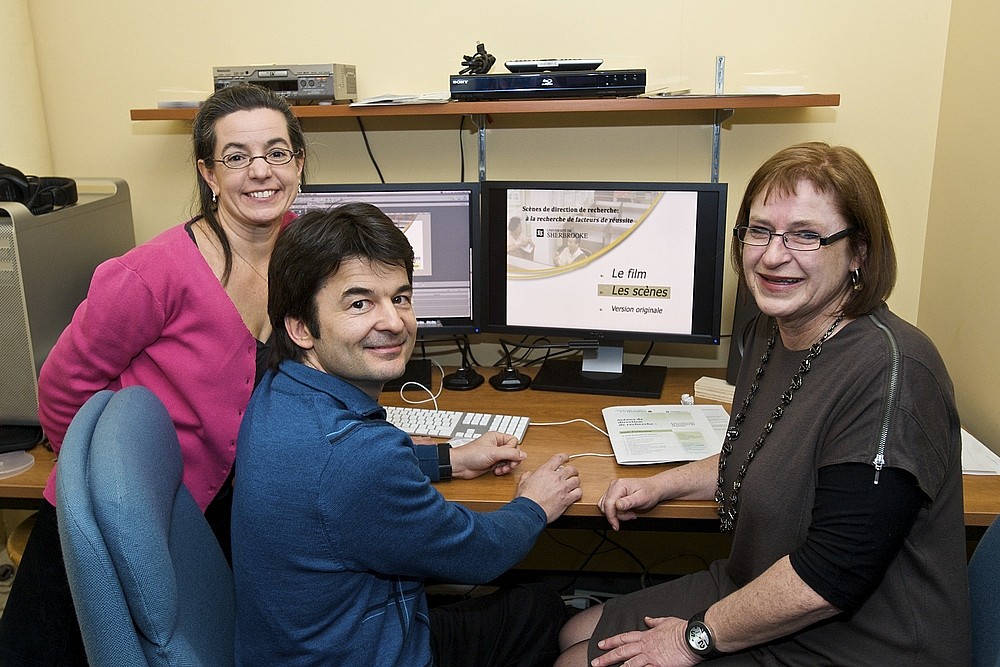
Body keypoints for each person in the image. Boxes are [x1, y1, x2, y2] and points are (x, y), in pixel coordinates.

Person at [556, 142, 971, 665]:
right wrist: (662, 484)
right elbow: (761, 454)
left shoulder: (892, 371)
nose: (774, 255)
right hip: (762, 585)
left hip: (859, 638)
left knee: (579, 660)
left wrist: (691, 639)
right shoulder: (774, 332)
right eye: (760, 231)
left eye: (806, 235)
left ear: (859, 251)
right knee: (574, 629)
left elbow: (830, 577)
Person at [0, 82, 307, 666]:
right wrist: (108, 490)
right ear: (208, 174)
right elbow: (62, 387)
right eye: (236, 157)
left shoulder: (303, 255)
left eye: (276, 152)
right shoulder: (154, 272)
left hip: (212, 514)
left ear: (298, 161)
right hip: (116, 520)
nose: (259, 172)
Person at [231, 203, 583, 667]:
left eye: (400, 297)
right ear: (301, 328)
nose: (394, 322)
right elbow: (480, 553)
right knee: (545, 615)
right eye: (360, 304)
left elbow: (328, 482)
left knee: (536, 608)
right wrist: (534, 505)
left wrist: (449, 460)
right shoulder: (357, 456)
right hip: (369, 654)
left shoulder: (278, 388)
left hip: (307, 644)